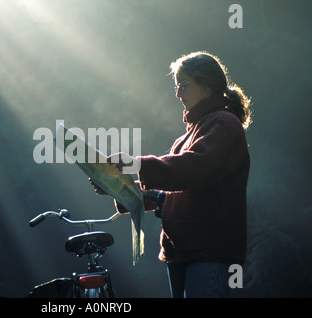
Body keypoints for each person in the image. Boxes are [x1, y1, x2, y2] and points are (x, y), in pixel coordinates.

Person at [90, 51, 252, 298]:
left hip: (210, 253)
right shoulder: (189, 135)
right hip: (184, 253)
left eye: (184, 85)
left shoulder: (223, 124)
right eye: (177, 87)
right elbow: (170, 194)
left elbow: (191, 169)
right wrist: (118, 188)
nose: (178, 94)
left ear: (207, 86)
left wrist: (135, 163)